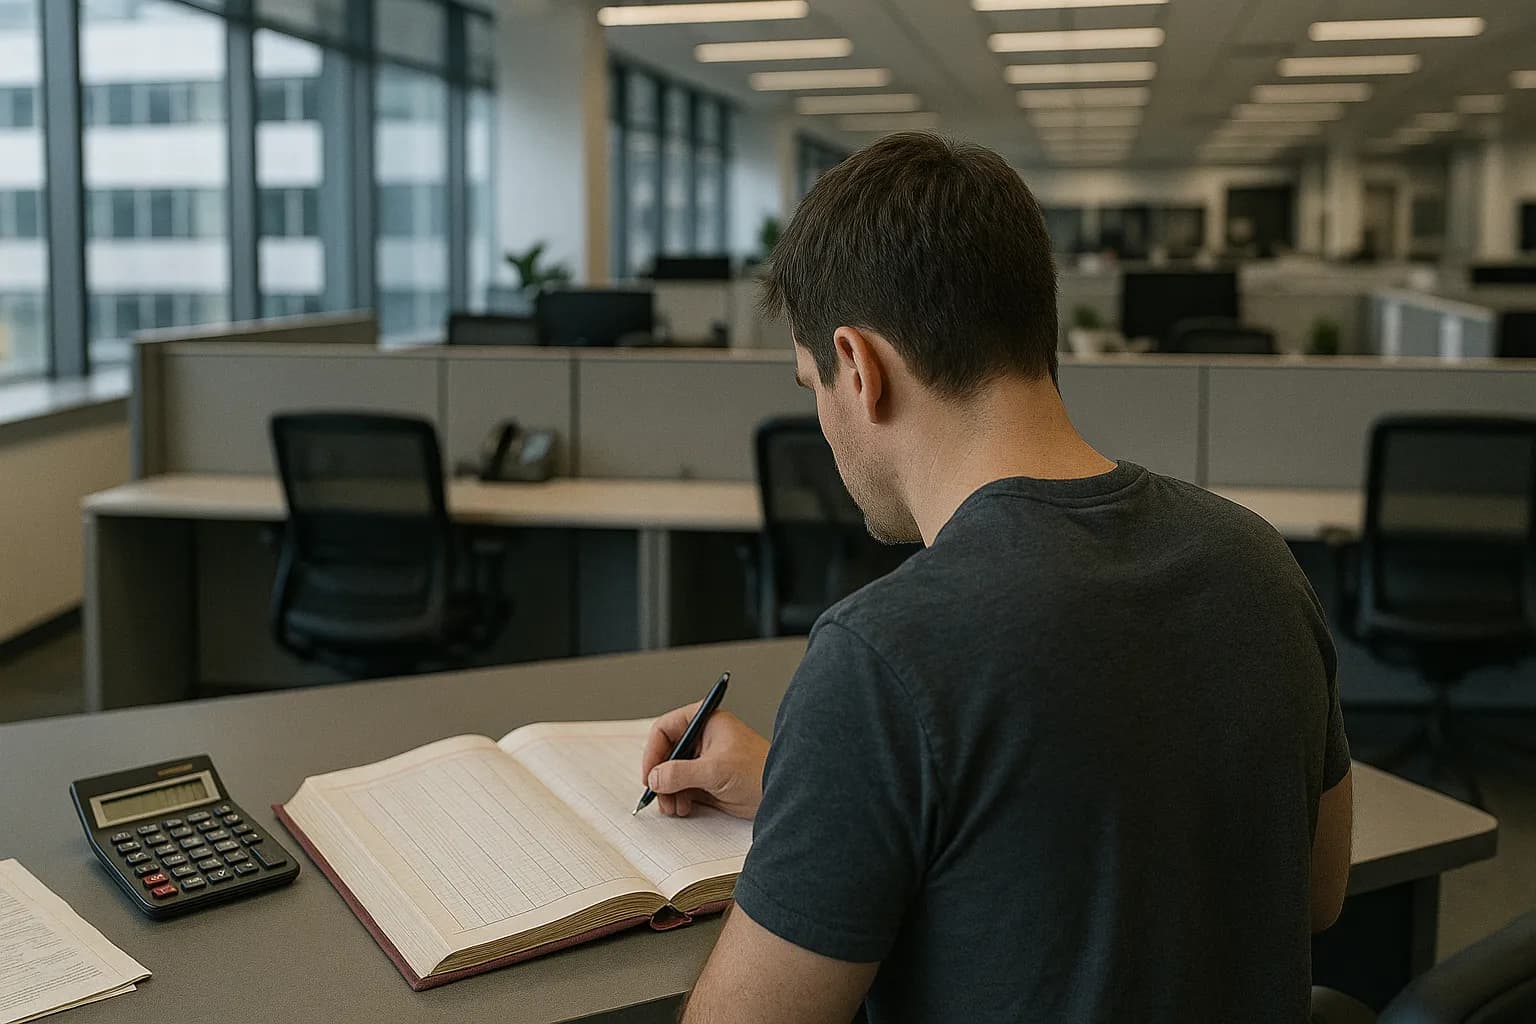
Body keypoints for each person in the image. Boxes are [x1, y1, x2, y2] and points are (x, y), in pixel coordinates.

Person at [640, 132, 1352, 1024]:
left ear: (858, 367)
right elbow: (1315, 895)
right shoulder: (1260, 563)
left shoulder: (885, 654)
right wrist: (817, 791)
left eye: (808, 383)